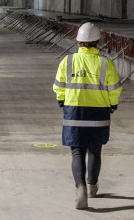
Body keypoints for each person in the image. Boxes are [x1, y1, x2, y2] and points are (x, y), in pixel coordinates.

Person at [52, 22, 122, 209]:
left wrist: (62, 100)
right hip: (98, 112)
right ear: (97, 42)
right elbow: (114, 88)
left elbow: (59, 87)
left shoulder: (67, 62)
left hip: (74, 111)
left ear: (78, 42)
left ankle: (80, 188)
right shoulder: (106, 63)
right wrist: (112, 104)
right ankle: (92, 186)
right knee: (95, 150)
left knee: (77, 151)